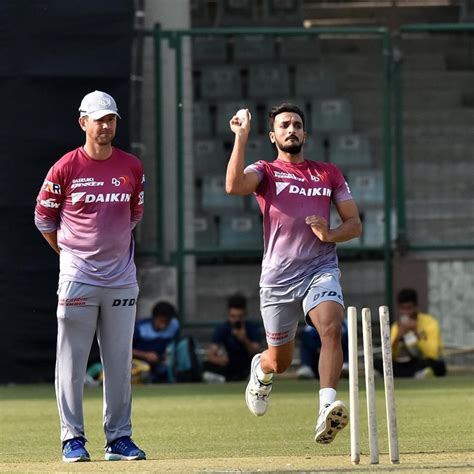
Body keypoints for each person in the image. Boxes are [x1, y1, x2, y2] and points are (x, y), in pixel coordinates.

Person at [226, 103, 362, 444]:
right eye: (284, 125)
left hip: (320, 267)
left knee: (331, 327)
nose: (292, 129)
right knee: (280, 361)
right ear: (273, 136)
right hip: (277, 280)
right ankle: (262, 370)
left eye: (297, 125)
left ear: (305, 133)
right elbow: (234, 186)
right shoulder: (266, 170)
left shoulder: (328, 173)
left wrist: (329, 235)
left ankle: (326, 408)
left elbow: (354, 224)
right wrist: (241, 137)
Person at [34, 90, 146, 462]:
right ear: (83, 122)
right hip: (78, 276)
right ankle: (72, 439)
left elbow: (133, 216)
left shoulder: (132, 166)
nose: (106, 126)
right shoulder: (65, 167)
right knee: (72, 361)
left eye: (111, 119)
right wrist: (71, 255)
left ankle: (119, 439)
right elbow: (43, 219)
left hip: (121, 278)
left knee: (118, 362)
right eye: (99, 119)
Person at [375, 288, 447, 379]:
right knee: (378, 362)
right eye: (402, 308)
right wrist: (398, 337)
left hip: (423, 361)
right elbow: (389, 356)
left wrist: (415, 332)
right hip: (406, 363)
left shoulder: (430, 323)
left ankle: (420, 373)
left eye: (409, 308)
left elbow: (432, 354)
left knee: (437, 365)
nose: (406, 312)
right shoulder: (396, 326)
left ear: (416, 306)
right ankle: (417, 374)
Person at [203, 293, 262, 382]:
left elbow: (257, 353)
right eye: (233, 316)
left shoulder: (251, 328)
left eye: (240, 317)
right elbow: (211, 353)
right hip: (229, 367)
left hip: (248, 367)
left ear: (245, 314)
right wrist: (220, 360)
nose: (236, 320)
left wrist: (244, 339)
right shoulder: (223, 328)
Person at [133, 301, 180, 383]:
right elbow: (126, 350)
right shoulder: (139, 327)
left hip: (160, 363)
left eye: (167, 322)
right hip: (139, 363)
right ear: (154, 318)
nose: (164, 325)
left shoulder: (174, 325)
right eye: (161, 321)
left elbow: (173, 345)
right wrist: (145, 355)